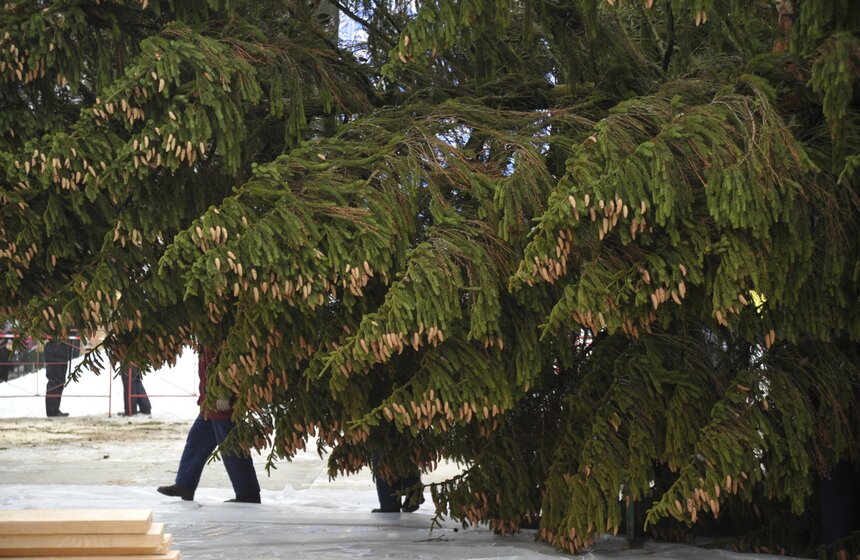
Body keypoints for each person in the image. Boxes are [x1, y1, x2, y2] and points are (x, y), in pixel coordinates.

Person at [157, 345, 261, 503]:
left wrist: (224, 393)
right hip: (209, 403)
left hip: (223, 405)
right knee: (196, 441)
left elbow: (231, 362)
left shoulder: (221, 335)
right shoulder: (205, 337)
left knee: (231, 448)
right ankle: (185, 485)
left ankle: (248, 493)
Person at [43, 332, 79, 417]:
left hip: (61, 352)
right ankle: (52, 411)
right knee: (54, 383)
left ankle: (55, 410)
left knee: (59, 383)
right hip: (55, 352)